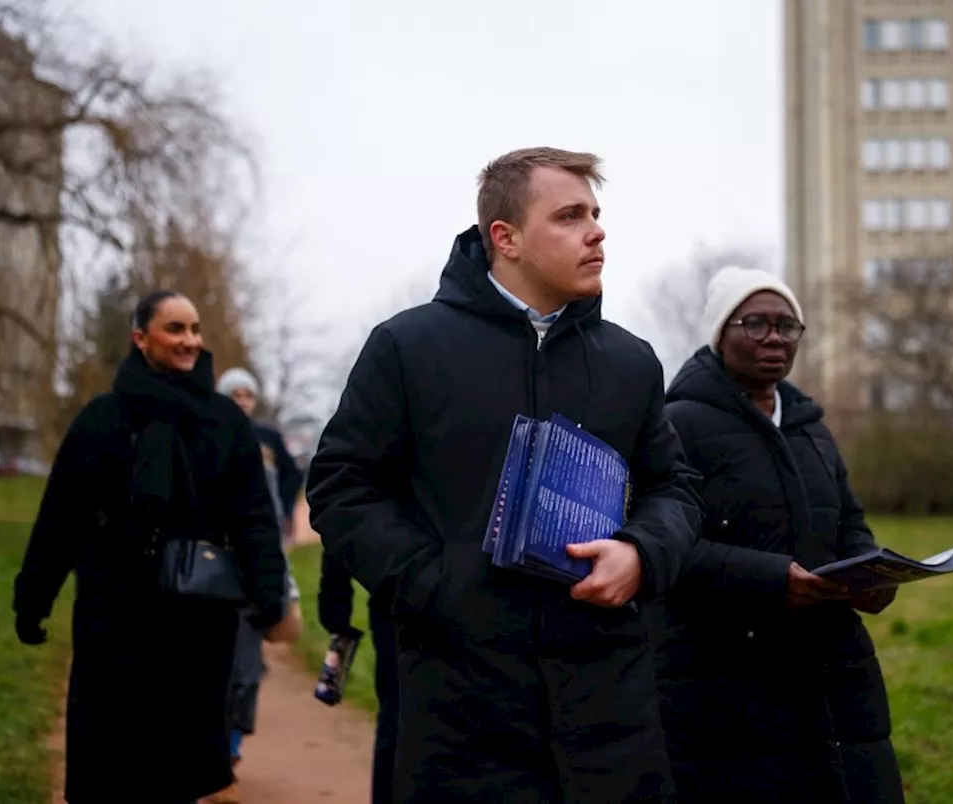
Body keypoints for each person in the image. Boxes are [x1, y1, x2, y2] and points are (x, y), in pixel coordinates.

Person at [307, 147, 702, 803]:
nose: (596, 231)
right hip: (461, 704)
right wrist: (435, 583)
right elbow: (341, 486)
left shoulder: (630, 362)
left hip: (609, 706)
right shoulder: (409, 348)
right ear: (505, 237)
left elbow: (676, 489)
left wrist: (641, 553)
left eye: (596, 215)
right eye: (570, 216)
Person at [12, 291, 288, 804]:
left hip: (197, 624)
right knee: (108, 768)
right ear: (140, 338)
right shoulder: (101, 420)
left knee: (176, 772)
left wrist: (269, 594)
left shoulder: (225, 422)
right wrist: (33, 598)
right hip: (113, 618)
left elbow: (254, 519)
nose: (191, 341)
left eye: (194, 329)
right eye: (175, 329)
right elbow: (60, 519)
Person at [653, 266, 905, 803]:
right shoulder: (678, 425)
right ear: (720, 333)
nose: (774, 336)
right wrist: (770, 580)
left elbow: (850, 522)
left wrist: (873, 574)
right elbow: (667, 546)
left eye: (787, 325)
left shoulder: (812, 427)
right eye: (755, 323)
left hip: (828, 672)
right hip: (720, 679)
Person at [214, 367, 306, 775]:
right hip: (211, 568)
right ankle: (202, 752)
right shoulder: (201, 434)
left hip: (256, 567)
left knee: (247, 665)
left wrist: (285, 511)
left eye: (247, 393)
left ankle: (231, 750)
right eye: (233, 393)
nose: (241, 400)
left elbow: (291, 478)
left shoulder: (267, 441)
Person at [317, 548, 396, 804]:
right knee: (398, 717)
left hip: (398, 596)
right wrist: (335, 601)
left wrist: (334, 603)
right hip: (400, 600)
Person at [216, 368, 303, 545]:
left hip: (266, 521)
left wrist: (283, 508)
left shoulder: (268, 437)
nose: (242, 401)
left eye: (248, 395)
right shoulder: (212, 435)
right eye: (236, 395)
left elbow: (292, 474)